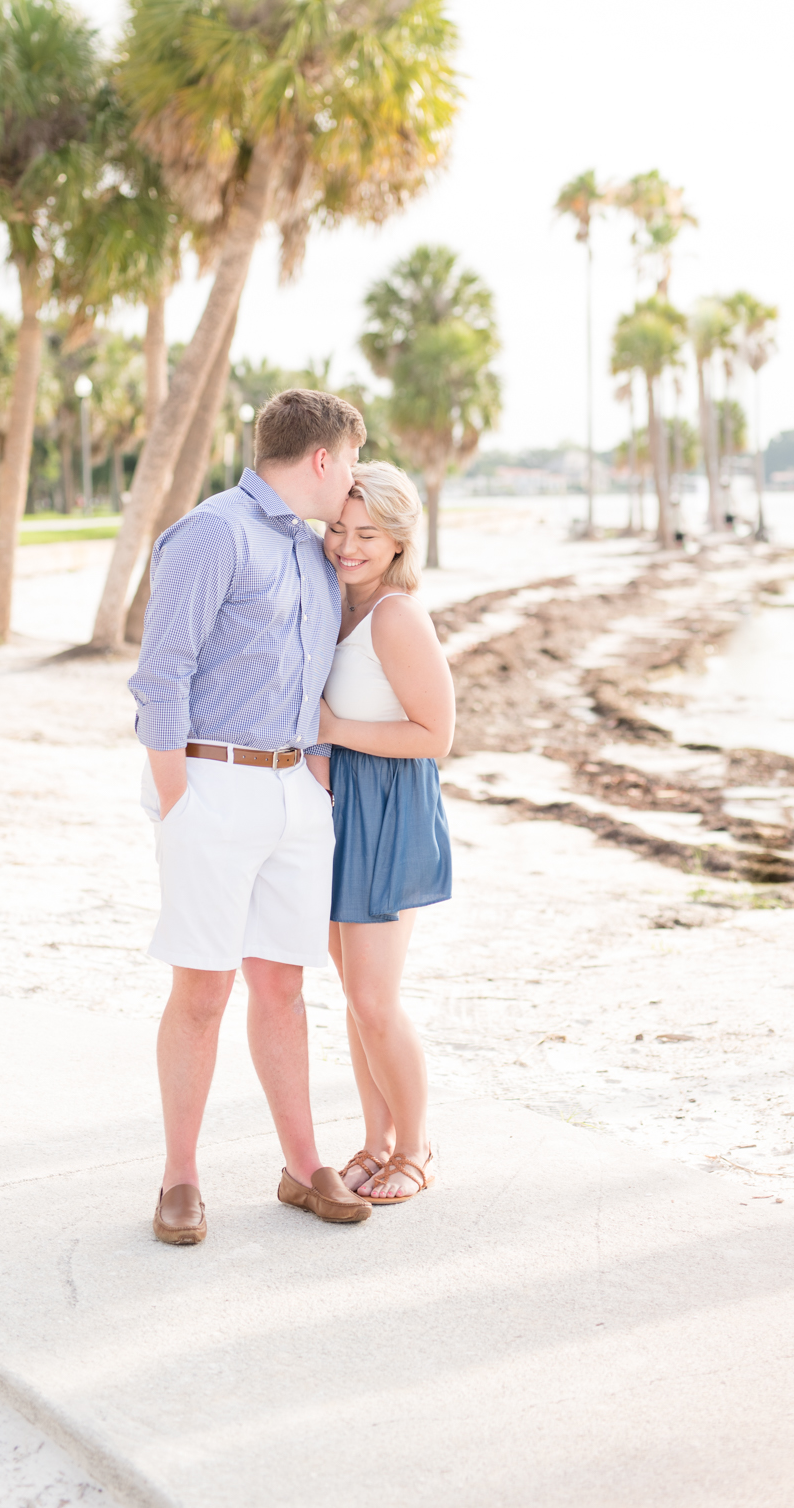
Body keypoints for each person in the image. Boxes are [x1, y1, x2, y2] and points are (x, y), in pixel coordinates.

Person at [129, 387, 370, 1246]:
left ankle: (304, 1169)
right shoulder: (214, 531)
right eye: (350, 460)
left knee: (283, 985)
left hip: (294, 797)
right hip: (212, 785)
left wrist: (315, 777)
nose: (353, 478)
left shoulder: (311, 550)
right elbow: (161, 675)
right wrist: (177, 795)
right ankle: (181, 1179)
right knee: (203, 988)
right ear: (320, 457)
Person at [316, 462, 456, 1205]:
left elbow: (435, 736)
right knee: (354, 994)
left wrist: (336, 729)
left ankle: (415, 1145)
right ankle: (373, 1142)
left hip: (386, 807)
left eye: (368, 533)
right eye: (339, 527)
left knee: (375, 997)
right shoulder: (333, 603)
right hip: (338, 808)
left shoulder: (396, 616)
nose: (348, 544)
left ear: (400, 543)